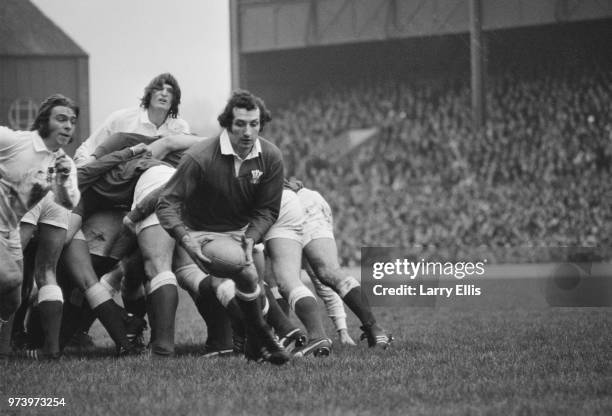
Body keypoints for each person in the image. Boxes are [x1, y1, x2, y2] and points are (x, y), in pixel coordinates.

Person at [156, 90, 291, 365]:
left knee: (253, 278)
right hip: (203, 234)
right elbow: (165, 204)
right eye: (240, 124)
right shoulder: (200, 157)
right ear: (227, 124)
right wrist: (185, 238)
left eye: (254, 124)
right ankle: (266, 335)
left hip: (242, 232)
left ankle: (255, 349)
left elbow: (268, 210)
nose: (247, 131)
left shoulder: (271, 156)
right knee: (247, 272)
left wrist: (252, 237)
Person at [0, 94, 81, 359]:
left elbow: (68, 201)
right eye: (61, 118)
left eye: (72, 121)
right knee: (12, 278)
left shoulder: (63, 163)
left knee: (13, 296)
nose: (69, 125)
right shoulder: (15, 141)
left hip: (10, 228)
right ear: (43, 122)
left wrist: (63, 178)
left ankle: (15, 350)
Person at [289, 178, 393, 349]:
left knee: (277, 274)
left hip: (292, 204)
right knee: (325, 272)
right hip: (308, 200)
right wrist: (342, 331)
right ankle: (374, 329)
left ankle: (282, 336)